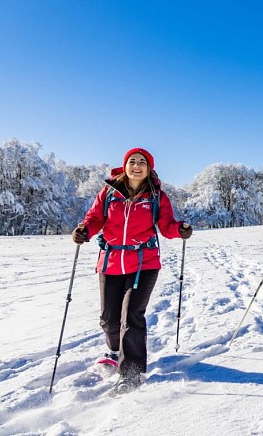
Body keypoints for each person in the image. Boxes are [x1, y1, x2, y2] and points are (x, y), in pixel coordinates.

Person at [71, 147, 192, 392]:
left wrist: (179, 229)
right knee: (109, 319)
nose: (137, 166)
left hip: (143, 263)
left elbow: (166, 225)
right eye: (132, 161)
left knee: (132, 317)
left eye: (142, 162)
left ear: (149, 169)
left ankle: (132, 372)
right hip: (111, 262)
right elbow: (94, 218)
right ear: (125, 166)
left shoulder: (157, 196)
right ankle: (114, 351)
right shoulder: (108, 193)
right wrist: (85, 230)